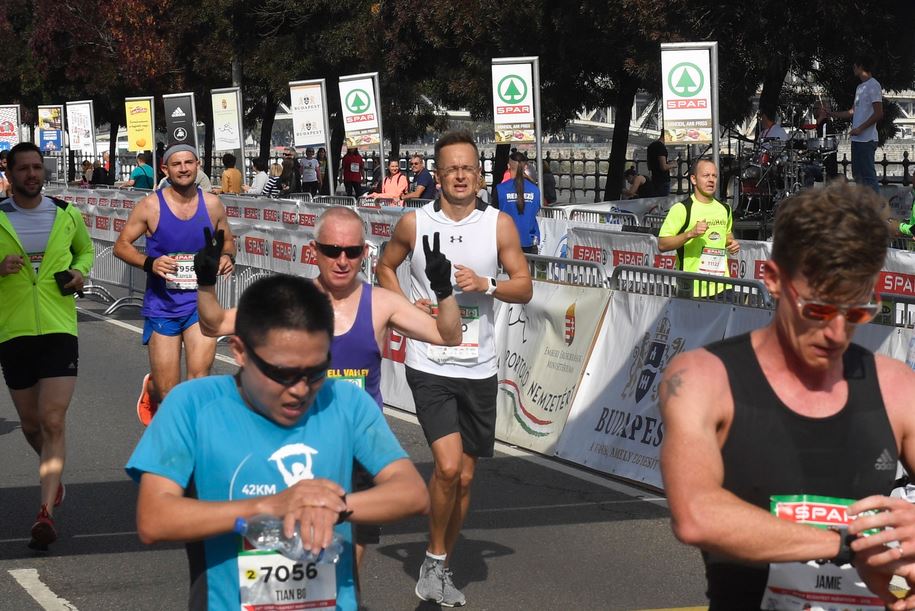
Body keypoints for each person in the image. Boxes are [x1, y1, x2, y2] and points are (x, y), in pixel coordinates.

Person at [659, 182, 915, 609]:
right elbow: (696, 515)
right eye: (817, 310)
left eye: (855, 313)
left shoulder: (896, 387)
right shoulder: (705, 379)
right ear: (773, 280)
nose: (836, 333)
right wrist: (848, 545)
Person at [126, 274, 430, 611]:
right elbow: (154, 519)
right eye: (283, 374)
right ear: (240, 351)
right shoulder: (192, 405)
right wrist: (269, 507)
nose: (301, 389)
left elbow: (412, 493)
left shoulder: (344, 401)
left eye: (316, 371)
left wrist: (332, 508)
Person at [196, 205, 461, 570]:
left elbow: (448, 336)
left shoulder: (382, 303)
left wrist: (443, 290)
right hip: (294, 445)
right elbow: (213, 325)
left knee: (346, 570)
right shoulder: (289, 300)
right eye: (332, 251)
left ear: (364, 253)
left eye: (352, 252)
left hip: (355, 448)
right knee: (283, 565)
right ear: (314, 251)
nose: (342, 260)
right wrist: (206, 283)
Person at [376, 130, 533, 607]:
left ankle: (439, 561)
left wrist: (487, 284)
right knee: (446, 467)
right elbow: (385, 267)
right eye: (451, 168)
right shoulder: (413, 222)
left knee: (464, 478)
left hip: (479, 365)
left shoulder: (499, 224)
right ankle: (432, 561)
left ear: (480, 175)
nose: (460, 176)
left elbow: (524, 286)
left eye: (468, 167)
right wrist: (408, 311)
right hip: (430, 362)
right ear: (438, 175)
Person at [0, 142, 93, 549]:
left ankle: (45, 513)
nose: (32, 174)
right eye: (24, 169)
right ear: (10, 173)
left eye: (37, 167)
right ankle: (51, 474)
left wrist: (79, 273)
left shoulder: (66, 213)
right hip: (12, 330)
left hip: (59, 326)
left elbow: (86, 252)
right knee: (31, 423)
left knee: (54, 420)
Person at [114, 144, 235, 425]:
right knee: (168, 392)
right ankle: (152, 387)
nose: (184, 168)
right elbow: (121, 246)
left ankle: (190, 451)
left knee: (197, 382)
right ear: (165, 170)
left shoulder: (212, 203)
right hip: (162, 306)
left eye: (189, 163)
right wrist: (150, 263)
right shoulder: (150, 205)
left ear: (198, 165)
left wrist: (227, 256)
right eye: (177, 164)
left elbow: (228, 239)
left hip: (200, 305)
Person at [657, 158, 740, 297]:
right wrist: (690, 234)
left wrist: (732, 243)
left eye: (714, 176)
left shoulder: (725, 208)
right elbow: (662, 244)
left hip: (722, 287)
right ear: (694, 179)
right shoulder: (682, 209)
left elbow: (726, 236)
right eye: (706, 175)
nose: (711, 180)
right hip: (692, 289)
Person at [828, 56, 883, 194]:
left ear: (860, 66)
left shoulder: (874, 85)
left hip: (867, 139)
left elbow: (878, 113)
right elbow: (852, 111)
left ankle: (878, 212)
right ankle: (864, 209)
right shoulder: (860, 87)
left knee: (868, 177)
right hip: (857, 139)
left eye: (854, 66)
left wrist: (860, 128)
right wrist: (831, 113)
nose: (853, 69)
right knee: (857, 176)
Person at [496, 151, 541, 254]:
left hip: (506, 241)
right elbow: (537, 209)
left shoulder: (500, 189)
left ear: (508, 166)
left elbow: (494, 214)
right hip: (530, 240)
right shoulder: (535, 189)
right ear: (525, 167)